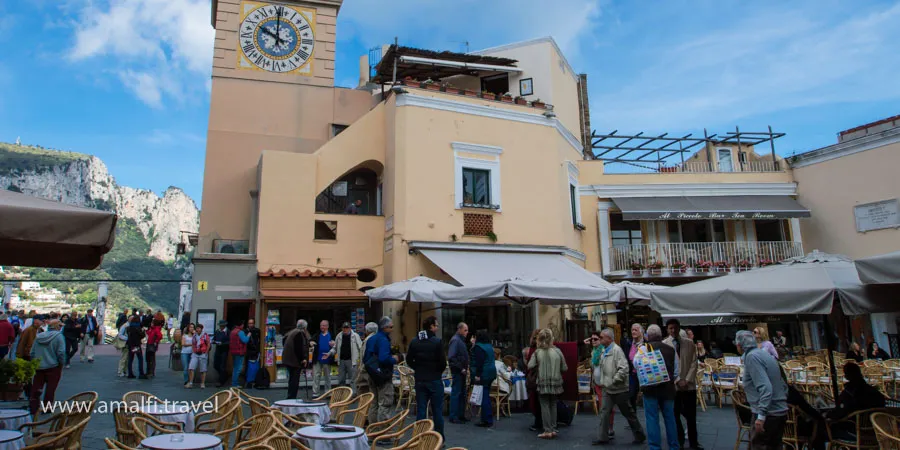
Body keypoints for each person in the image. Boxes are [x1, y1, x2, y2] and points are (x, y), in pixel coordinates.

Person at [592, 328, 646, 445]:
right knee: (604, 412)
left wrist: (614, 381)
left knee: (628, 412)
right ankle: (603, 437)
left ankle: (639, 435)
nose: (600, 339)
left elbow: (624, 368)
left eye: (601, 337)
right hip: (607, 387)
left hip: (618, 389)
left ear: (609, 339)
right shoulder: (604, 350)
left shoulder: (617, 350)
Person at [736, 330, 788, 450]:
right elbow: (783, 384)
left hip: (768, 413)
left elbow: (765, 387)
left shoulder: (752, 357)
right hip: (779, 410)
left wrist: (761, 416)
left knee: (761, 445)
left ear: (739, 345)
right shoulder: (764, 354)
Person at [639, 324, 679, 450]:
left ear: (647, 336)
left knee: (652, 418)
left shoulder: (643, 349)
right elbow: (677, 371)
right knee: (670, 418)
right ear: (661, 335)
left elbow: (638, 367)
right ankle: (674, 446)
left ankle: (655, 447)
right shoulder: (670, 349)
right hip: (668, 390)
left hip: (650, 389)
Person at [406, 316, 446, 438]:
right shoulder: (437, 342)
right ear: (431, 327)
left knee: (421, 410)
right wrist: (437, 372)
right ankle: (439, 438)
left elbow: (409, 359)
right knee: (437, 411)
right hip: (434, 379)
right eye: (436, 325)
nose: (437, 327)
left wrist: (417, 368)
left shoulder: (415, 341)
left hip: (420, 379)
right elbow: (442, 363)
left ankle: (419, 437)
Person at [666, 319, 702, 449]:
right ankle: (679, 441)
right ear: (667, 329)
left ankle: (694, 442)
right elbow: (666, 366)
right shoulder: (665, 344)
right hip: (674, 387)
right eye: (670, 328)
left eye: (675, 328)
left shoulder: (689, 343)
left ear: (679, 328)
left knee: (691, 416)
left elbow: (694, 362)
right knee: (675, 416)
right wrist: (677, 380)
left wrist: (687, 379)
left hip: (689, 386)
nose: (673, 330)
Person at [528, 328, 567, 440]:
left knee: (544, 405)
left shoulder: (537, 352)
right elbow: (564, 368)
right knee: (553, 404)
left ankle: (547, 430)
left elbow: (530, 366)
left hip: (543, 381)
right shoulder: (557, 351)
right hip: (556, 381)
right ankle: (554, 429)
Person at [364, 317, 398, 423]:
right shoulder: (383, 340)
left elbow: (365, 358)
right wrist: (394, 359)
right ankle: (383, 432)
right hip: (383, 375)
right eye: (391, 327)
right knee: (385, 403)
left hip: (372, 374)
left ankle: (372, 430)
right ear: (385, 328)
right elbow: (383, 358)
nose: (392, 329)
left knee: (374, 403)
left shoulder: (371, 338)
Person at [29, 319, 66, 416]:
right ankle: (47, 408)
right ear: (57, 327)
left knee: (36, 387)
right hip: (53, 366)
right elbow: (61, 353)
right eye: (60, 326)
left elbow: (32, 352)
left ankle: (33, 407)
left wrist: (35, 362)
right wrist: (61, 363)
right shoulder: (59, 337)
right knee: (50, 389)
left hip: (39, 366)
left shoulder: (39, 337)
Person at [585, 331, 614, 438]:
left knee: (606, 407)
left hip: (604, 383)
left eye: (595, 339)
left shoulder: (604, 350)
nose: (592, 341)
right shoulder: (594, 351)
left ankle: (609, 429)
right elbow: (594, 368)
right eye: (591, 339)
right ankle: (606, 429)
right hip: (597, 383)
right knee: (603, 407)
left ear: (601, 340)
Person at [471, 331, 497, 428]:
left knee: (484, 397)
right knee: (486, 395)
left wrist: (477, 375)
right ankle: (487, 418)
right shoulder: (489, 346)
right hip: (491, 372)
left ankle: (486, 419)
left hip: (484, 373)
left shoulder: (479, 347)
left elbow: (479, 362)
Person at [448, 322, 470, 424]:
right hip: (458, 371)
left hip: (461, 371)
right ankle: (454, 416)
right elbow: (451, 357)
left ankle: (460, 415)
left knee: (462, 394)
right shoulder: (456, 340)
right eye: (465, 330)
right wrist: (461, 368)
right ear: (459, 330)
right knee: (457, 393)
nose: (467, 332)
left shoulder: (459, 340)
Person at [283, 319, 311, 399]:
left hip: (288, 359)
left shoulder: (292, 332)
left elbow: (284, 340)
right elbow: (299, 348)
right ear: (305, 327)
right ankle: (292, 397)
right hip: (293, 361)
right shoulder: (299, 333)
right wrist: (303, 359)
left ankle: (290, 396)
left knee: (292, 379)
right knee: (295, 380)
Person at [330, 322, 362, 390]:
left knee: (353, 379)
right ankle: (342, 394)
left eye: (347, 328)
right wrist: (330, 353)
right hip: (341, 361)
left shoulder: (355, 336)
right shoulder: (339, 336)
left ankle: (353, 394)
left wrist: (361, 360)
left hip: (352, 361)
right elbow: (335, 348)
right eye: (344, 328)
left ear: (350, 328)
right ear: (342, 328)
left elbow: (360, 348)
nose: (345, 329)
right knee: (341, 379)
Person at [523, 329, 543, 432]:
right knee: (544, 402)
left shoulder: (533, 349)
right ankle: (547, 423)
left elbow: (530, 365)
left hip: (535, 378)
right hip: (542, 377)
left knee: (536, 401)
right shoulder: (543, 348)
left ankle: (539, 423)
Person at [311, 320, 334, 396]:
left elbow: (336, 345)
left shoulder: (332, 334)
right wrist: (310, 342)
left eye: (324, 325)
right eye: (321, 325)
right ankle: (315, 393)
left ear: (327, 326)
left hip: (327, 359)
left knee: (327, 377)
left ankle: (328, 393)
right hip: (317, 358)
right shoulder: (317, 334)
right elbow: (310, 341)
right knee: (316, 376)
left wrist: (334, 344)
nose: (322, 327)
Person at [356, 322, 379, 395]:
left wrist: (361, 369)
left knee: (365, 391)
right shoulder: (379, 338)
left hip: (367, 370)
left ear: (367, 331)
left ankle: (366, 405)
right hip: (376, 369)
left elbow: (365, 355)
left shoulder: (368, 340)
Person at [627, 323, 645, 410]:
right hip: (633, 374)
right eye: (632, 330)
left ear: (641, 332)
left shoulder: (645, 343)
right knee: (631, 396)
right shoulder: (629, 343)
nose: (633, 332)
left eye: (636, 330)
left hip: (644, 373)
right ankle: (633, 417)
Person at [187, 323, 210, 388]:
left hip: (203, 353)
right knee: (191, 368)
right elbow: (193, 343)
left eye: (198, 328)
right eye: (196, 328)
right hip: (195, 353)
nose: (197, 329)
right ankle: (190, 383)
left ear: (201, 329)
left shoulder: (205, 335)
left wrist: (206, 352)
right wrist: (193, 350)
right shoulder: (194, 335)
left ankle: (202, 383)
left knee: (203, 369)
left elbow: (208, 344)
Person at [243, 319, 262, 388]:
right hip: (248, 351)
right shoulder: (245, 331)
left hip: (256, 350)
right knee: (248, 366)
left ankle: (254, 380)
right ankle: (248, 381)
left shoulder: (257, 330)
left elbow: (260, 341)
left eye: (252, 323)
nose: (251, 325)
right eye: (249, 323)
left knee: (255, 366)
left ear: (254, 323)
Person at [212, 320, 230, 387]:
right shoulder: (217, 331)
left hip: (224, 350)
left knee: (222, 366)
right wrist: (214, 341)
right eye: (220, 325)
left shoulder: (227, 331)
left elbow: (229, 341)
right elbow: (214, 338)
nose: (221, 327)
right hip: (218, 350)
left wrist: (222, 344)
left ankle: (221, 381)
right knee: (216, 365)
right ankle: (225, 375)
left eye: (222, 326)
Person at [230, 322, 246, 387]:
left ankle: (234, 383)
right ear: (241, 325)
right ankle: (235, 383)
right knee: (238, 368)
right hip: (240, 352)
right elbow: (245, 340)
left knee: (235, 368)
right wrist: (248, 335)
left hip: (233, 352)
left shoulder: (232, 331)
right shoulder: (240, 332)